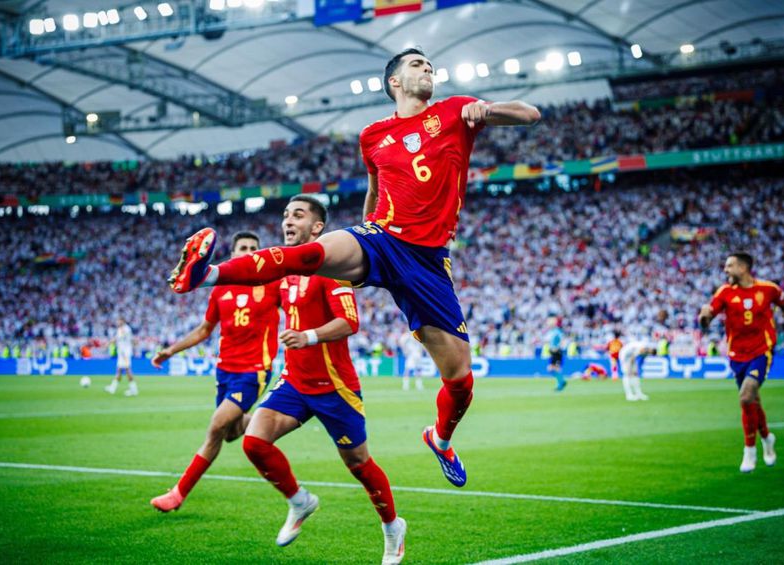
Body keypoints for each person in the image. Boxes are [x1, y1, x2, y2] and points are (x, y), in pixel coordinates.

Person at [167, 47, 540, 487]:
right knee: (312, 255)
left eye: (430, 65)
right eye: (418, 65)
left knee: (460, 379)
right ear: (395, 82)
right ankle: (206, 273)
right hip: (382, 237)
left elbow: (530, 113)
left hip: (428, 260)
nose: (428, 69)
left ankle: (440, 439)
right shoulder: (373, 136)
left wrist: (488, 109)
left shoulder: (456, 111)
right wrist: (361, 238)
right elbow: (376, 189)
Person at [240, 196, 406, 564]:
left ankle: (393, 527)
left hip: (334, 387)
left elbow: (350, 322)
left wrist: (309, 336)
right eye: (285, 215)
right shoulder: (285, 270)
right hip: (295, 381)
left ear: (317, 228)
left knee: (359, 464)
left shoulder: (331, 268)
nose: (288, 221)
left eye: (298, 215)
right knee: (254, 442)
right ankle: (300, 502)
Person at [149, 232, 280, 512]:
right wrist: (171, 350)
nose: (247, 251)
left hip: (254, 371)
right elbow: (204, 331)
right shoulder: (220, 289)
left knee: (216, 426)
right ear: (232, 254)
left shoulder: (271, 284)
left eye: (253, 248)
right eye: (242, 247)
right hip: (225, 372)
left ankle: (178, 493)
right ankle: (266, 419)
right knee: (231, 432)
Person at [698, 252, 784, 473]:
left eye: (730, 265)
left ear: (743, 268)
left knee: (746, 396)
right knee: (752, 401)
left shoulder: (768, 289)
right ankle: (767, 438)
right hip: (736, 354)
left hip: (761, 351)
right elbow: (708, 319)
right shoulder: (725, 292)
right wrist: (704, 317)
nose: (725, 270)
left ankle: (749, 451)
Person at [105, 317, 137, 396]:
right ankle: (113, 388)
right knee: (119, 370)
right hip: (122, 352)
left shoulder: (124, 329)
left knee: (127, 370)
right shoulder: (123, 329)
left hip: (124, 353)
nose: (117, 322)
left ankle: (133, 389)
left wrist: (108, 343)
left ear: (123, 321)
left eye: (119, 320)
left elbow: (117, 338)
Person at [544, 317, 566, 391]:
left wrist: (558, 347)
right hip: (553, 352)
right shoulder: (552, 331)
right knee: (551, 369)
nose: (548, 325)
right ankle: (562, 381)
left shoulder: (557, 331)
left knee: (554, 369)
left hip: (557, 352)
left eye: (549, 324)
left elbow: (562, 339)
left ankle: (560, 384)